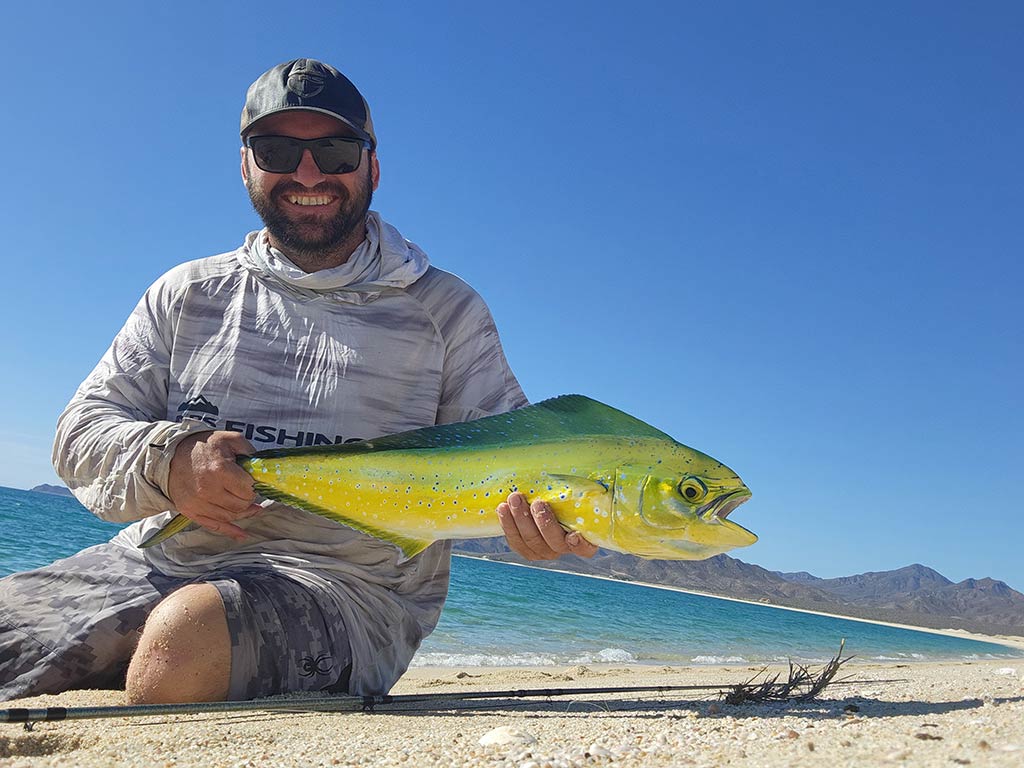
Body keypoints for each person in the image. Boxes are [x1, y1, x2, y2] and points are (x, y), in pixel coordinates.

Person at [0, 58, 596, 705]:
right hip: (156, 561)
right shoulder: (187, 293)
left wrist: (557, 519)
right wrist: (169, 462)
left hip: (352, 592)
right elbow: (80, 432)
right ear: (246, 166)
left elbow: (522, 461)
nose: (307, 173)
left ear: (372, 167)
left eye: (335, 150)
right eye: (277, 148)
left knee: (183, 644)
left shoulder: (447, 312)